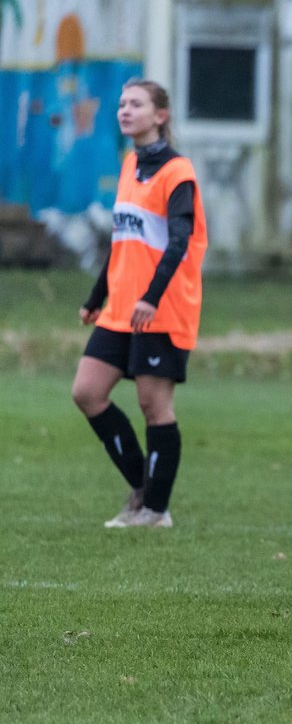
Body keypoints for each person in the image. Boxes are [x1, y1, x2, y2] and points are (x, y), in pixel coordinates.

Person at [71, 78, 208, 528]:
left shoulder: (177, 172)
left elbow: (178, 243)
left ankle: (155, 510)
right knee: (88, 392)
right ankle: (142, 489)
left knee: (154, 405)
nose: (124, 111)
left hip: (162, 307)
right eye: (122, 103)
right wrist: (97, 298)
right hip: (121, 307)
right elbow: (123, 240)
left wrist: (151, 297)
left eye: (136, 104)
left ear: (160, 115)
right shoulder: (130, 164)